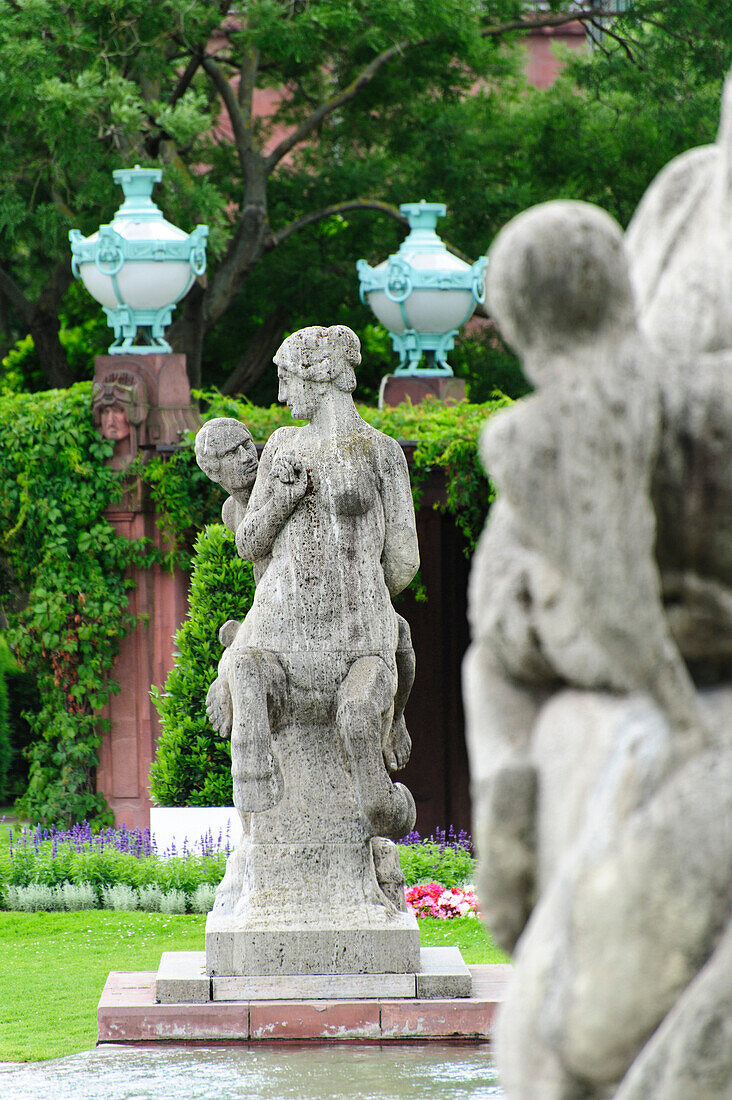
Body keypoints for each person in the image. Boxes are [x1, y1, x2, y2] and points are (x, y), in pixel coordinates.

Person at [200, 325, 419, 841]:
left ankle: (382, 774)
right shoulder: (286, 447)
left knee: (361, 710)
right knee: (250, 667)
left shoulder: (378, 451)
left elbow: (404, 562)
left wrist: (361, 590)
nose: (280, 394)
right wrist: (280, 500)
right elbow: (250, 540)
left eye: (285, 378)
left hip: (354, 632)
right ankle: (250, 764)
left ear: (317, 376)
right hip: (293, 627)